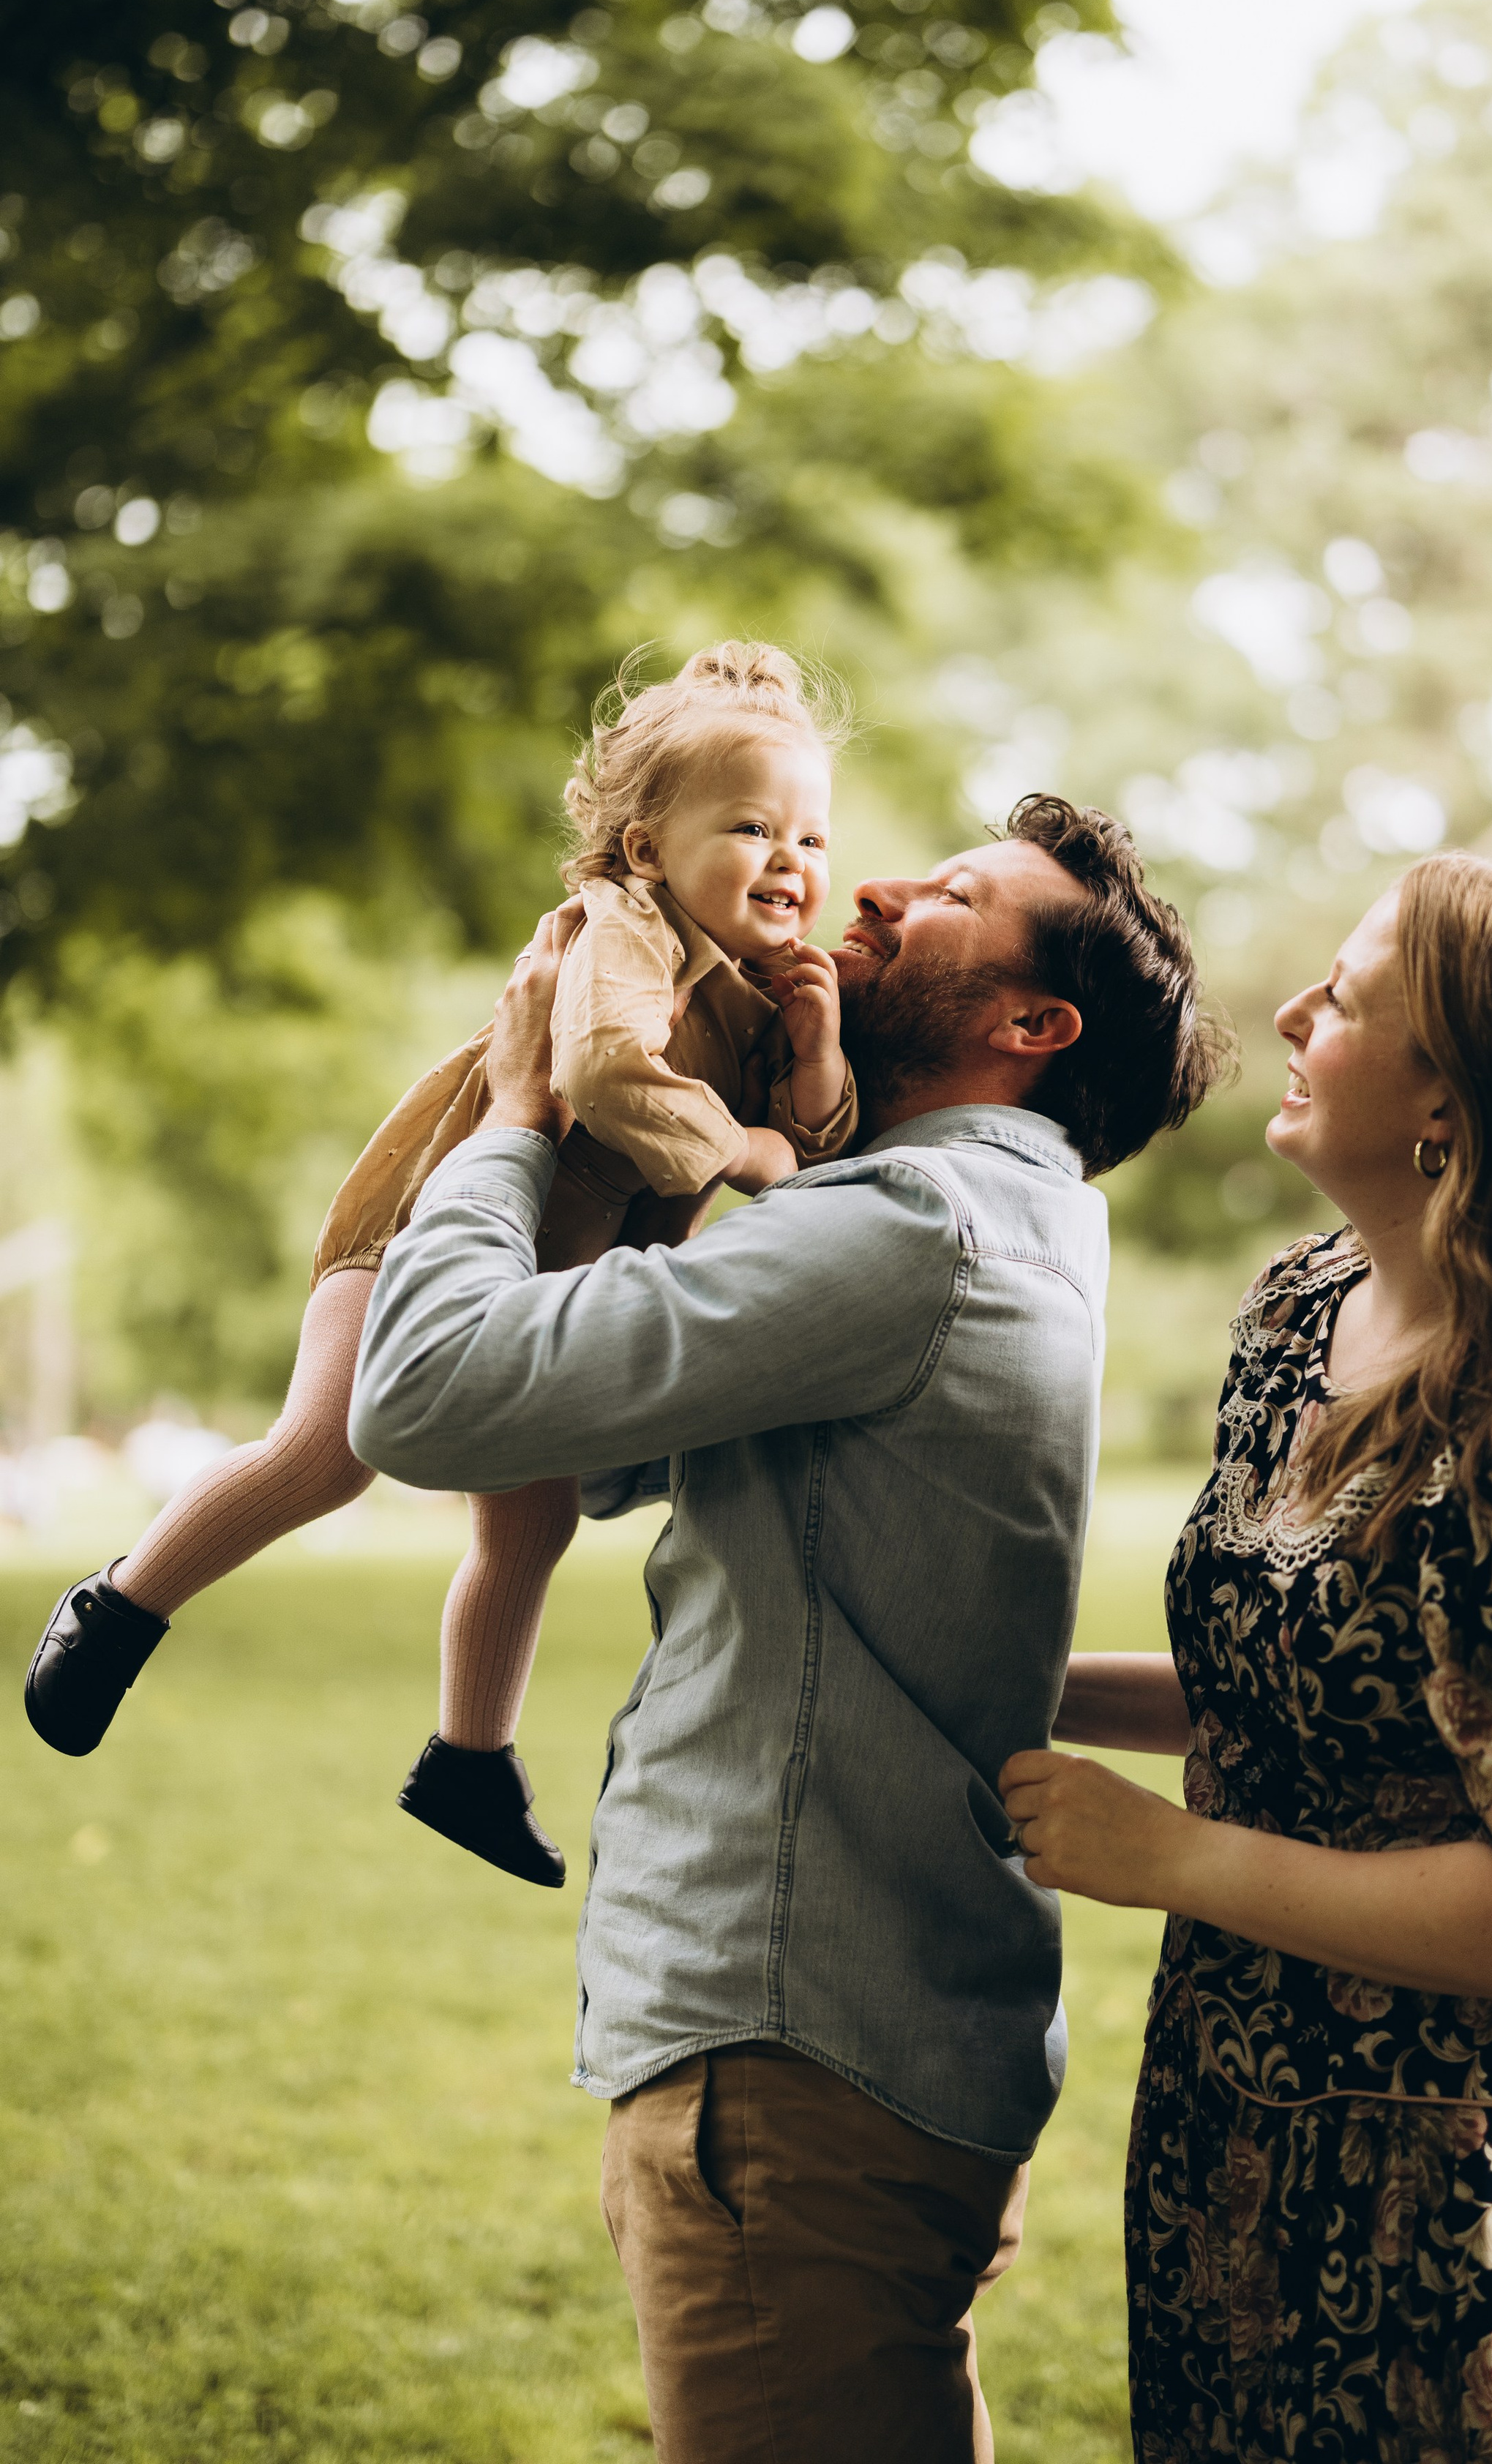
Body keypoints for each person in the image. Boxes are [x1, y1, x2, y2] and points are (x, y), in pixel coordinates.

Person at [345, 795, 1232, 2464]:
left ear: (1027, 1025)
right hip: (870, 2024)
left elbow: (425, 1395)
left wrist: (523, 1117)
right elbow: (601, 1453)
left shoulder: (905, 1234)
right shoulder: (984, 1218)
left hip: (791, 2044)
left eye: (954, 897)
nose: (876, 889)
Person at [1001, 853, 1492, 2464]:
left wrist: (1170, 1856)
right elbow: (1298, 1699)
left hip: (1459, 2198)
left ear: (1457, 1098)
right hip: (1232, 2125)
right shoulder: (1298, 1315)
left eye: (1345, 1000)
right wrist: (1006, 1685)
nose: (1290, 1012)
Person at [23, 643, 858, 1887]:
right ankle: (119, 1608)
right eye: (751, 827)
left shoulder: (763, 989)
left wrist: (818, 1048)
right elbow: (604, 1076)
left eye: (811, 837)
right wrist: (742, 1142)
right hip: (428, 1227)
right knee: (327, 1452)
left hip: (533, 1287)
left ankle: (468, 1760)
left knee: (530, 1524)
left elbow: (819, 1147)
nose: (791, 862)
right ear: (645, 849)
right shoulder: (618, 935)